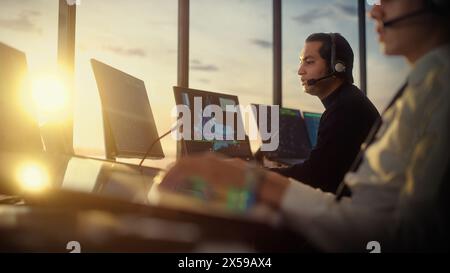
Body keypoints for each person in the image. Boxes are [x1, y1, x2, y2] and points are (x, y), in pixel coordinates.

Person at [160, 0, 449, 252]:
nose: (374, 11)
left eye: (309, 62)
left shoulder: (355, 107)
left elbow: (327, 185)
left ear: (337, 66)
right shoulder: (416, 88)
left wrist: (253, 179)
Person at [266, 33, 380, 194]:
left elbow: (315, 177)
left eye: (309, 62)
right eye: (301, 62)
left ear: (337, 66)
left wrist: (259, 173)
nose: (300, 71)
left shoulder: (344, 109)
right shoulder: (349, 99)